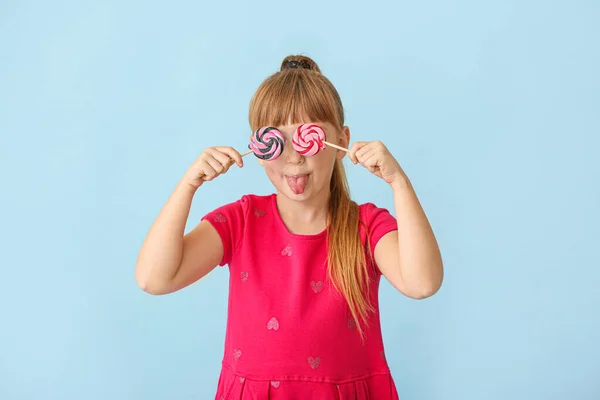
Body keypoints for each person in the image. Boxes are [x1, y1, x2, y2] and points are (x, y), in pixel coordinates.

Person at [135, 55, 444, 399]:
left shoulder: (366, 227)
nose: (294, 158)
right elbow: (153, 279)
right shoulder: (240, 221)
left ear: (341, 141)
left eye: (307, 138)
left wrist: (398, 182)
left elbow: (422, 283)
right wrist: (188, 185)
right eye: (277, 140)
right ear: (259, 145)